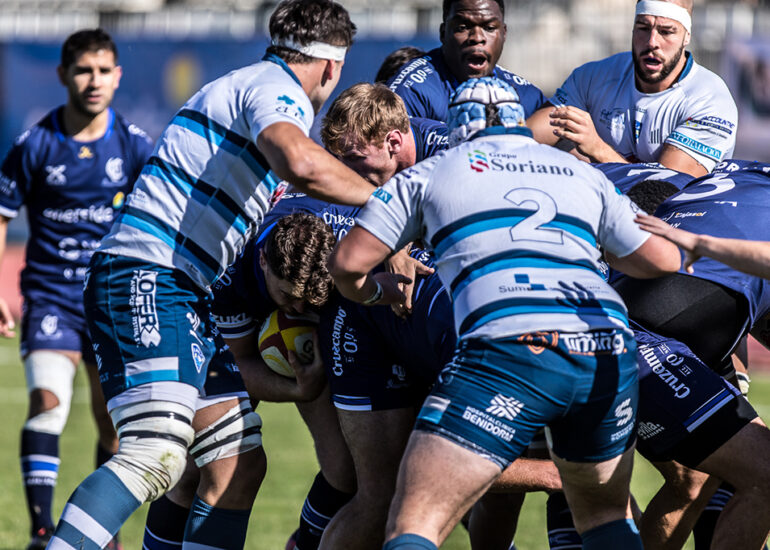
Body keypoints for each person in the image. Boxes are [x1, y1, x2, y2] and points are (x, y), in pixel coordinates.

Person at [46, 1, 376, 549]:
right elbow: (302, 164)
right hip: (149, 275)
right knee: (156, 453)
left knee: (237, 462)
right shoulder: (276, 88)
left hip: (179, 290)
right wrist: (394, 204)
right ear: (332, 67)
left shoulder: (252, 83)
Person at [328, 76, 681, 550]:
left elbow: (346, 264)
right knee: (604, 517)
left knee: (415, 520)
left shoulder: (431, 173)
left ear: (456, 128)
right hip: (607, 347)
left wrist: (375, 293)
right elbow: (659, 260)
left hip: (510, 343)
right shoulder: (578, 171)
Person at [0, 29, 154, 550]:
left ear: (118, 76)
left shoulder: (133, 145)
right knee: (47, 402)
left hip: (110, 300)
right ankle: (43, 531)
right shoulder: (36, 143)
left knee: (113, 429)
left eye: (104, 70)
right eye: (84, 70)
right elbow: (1, 214)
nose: (94, 81)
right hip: (50, 298)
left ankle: (99, 529)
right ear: (64, 75)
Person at [527, 0, 737, 178]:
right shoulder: (593, 77)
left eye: (666, 31)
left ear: (686, 37)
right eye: (643, 28)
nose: (652, 42)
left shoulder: (710, 101)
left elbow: (663, 196)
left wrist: (597, 149)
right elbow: (527, 136)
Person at [386, 0, 546, 122]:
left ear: (504, 34)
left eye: (489, 28)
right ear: (443, 33)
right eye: (463, 27)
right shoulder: (412, 91)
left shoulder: (528, 97)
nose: (477, 38)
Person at [321, 82, 448, 187]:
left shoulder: (448, 155)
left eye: (355, 158)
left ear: (394, 142)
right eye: (338, 159)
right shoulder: (347, 144)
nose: (344, 171)